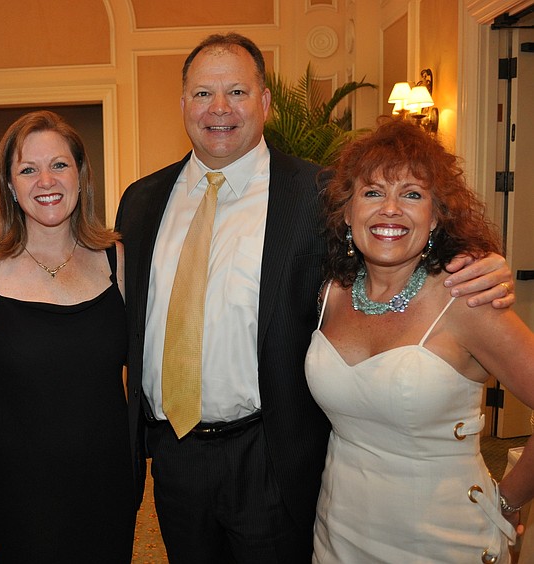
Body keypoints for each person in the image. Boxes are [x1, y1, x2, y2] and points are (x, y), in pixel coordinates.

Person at [114, 32, 516, 562]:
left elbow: (392, 245)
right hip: (172, 455)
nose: (219, 109)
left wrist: (481, 261)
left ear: (265, 103)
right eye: (202, 93)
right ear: (183, 103)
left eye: (236, 91)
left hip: (273, 455)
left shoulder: (318, 194)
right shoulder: (141, 201)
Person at [307, 119, 534, 563]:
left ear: (435, 215)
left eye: (412, 194)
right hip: (338, 532)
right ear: (347, 210)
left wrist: (507, 501)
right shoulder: (329, 294)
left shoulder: (468, 300)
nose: (390, 209)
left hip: (444, 540)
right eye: (373, 192)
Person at [0, 110, 136, 562]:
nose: (46, 181)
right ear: (10, 187)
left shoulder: (117, 259)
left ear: (80, 175)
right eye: (28, 169)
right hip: (21, 494)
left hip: (110, 484)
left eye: (59, 165)